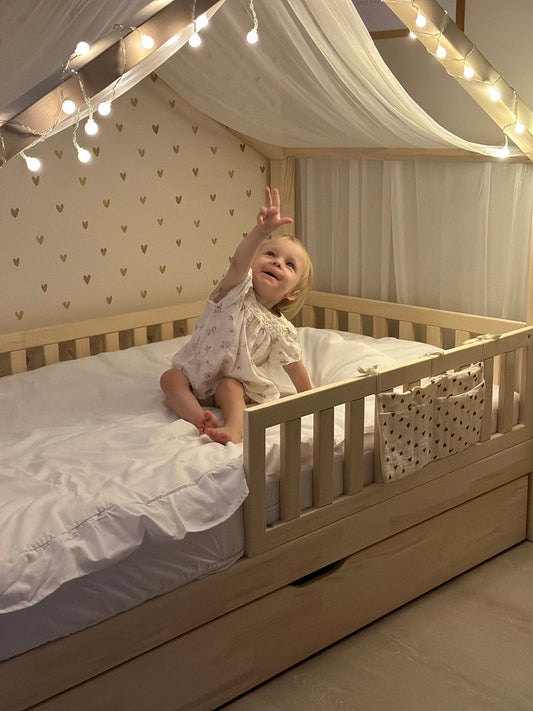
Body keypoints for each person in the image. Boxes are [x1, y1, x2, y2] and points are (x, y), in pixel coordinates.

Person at [160, 187, 313, 444]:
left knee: (230, 387)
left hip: (233, 383)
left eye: (289, 264)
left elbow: (294, 368)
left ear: (292, 293)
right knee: (170, 378)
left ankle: (234, 428)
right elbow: (237, 263)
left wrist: (311, 398)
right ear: (253, 264)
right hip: (196, 371)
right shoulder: (234, 292)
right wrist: (260, 232)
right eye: (270, 254)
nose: (277, 262)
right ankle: (200, 417)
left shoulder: (281, 330)